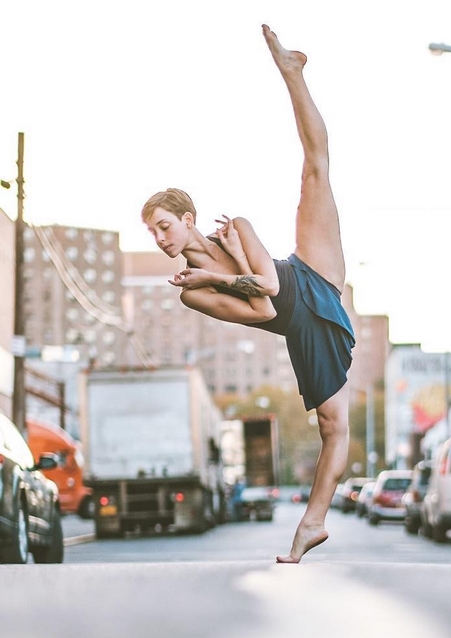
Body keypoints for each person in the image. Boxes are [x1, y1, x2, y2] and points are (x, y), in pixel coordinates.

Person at [141, 24, 354, 563]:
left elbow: (271, 283)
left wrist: (223, 267)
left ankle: (293, 74)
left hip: (309, 274)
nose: (160, 238)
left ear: (188, 220)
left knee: (316, 171)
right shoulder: (192, 294)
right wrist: (220, 275)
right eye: (152, 233)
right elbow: (263, 306)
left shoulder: (235, 225)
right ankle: (312, 524)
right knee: (335, 427)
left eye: (165, 225)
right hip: (300, 321)